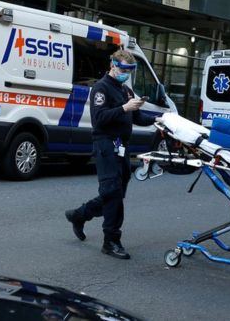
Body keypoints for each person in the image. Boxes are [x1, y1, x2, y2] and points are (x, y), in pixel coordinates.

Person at [65, 49, 160, 260]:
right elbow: (99, 119)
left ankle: (79, 215)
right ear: (113, 66)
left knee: (115, 193)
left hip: (121, 146)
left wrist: (159, 120)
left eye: (131, 70)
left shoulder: (125, 90)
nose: (127, 73)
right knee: (113, 192)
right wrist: (125, 108)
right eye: (125, 69)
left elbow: (138, 117)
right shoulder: (101, 88)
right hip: (106, 144)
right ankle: (111, 241)